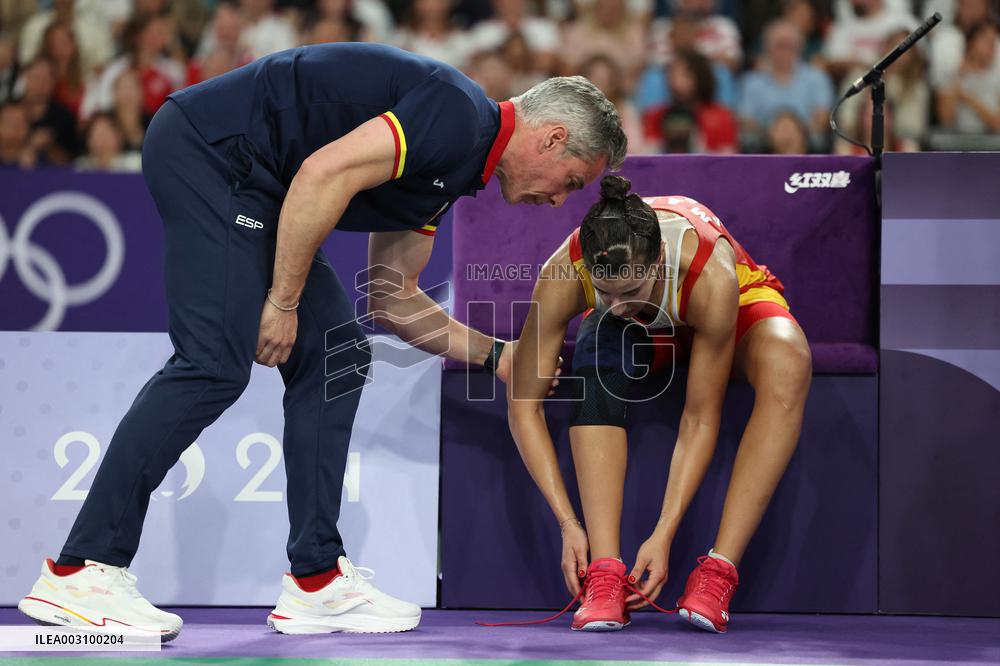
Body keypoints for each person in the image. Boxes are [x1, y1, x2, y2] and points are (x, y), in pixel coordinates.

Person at [18, 42, 625, 641]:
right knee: (212, 365)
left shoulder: (458, 167)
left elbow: (392, 298)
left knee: (340, 352)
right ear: (550, 139)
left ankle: (315, 581)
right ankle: (82, 569)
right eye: (571, 180)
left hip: (258, 181)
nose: (560, 202)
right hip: (215, 154)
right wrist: (282, 303)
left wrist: (500, 356)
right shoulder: (457, 115)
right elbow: (320, 174)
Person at [507, 175, 811, 633]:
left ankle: (717, 572)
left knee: (788, 360)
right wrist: (567, 522)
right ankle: (605, 574)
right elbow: (522, 406)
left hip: (724, 314)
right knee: (596, 344)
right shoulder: (562, 274)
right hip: (654, 336)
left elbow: (700, 416)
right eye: (603, 292)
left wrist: (664, 530)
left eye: (629, 292)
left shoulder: (710, 273)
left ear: (660, 261)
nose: (615, 304)